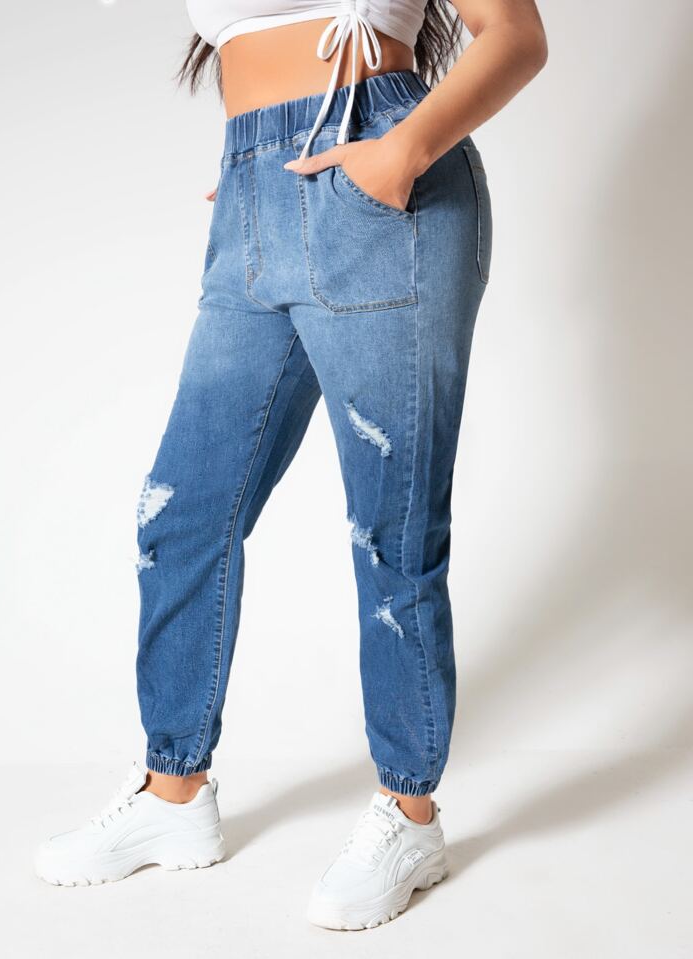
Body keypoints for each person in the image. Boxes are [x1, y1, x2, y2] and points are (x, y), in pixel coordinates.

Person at [35, 0, 547, 930]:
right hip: (254, 193)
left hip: (385, 182)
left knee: (390, 526)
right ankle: (174, 792)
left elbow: (516, 35)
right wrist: (258, 180)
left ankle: (410, 814)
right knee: (181, 513)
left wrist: (399, 154)